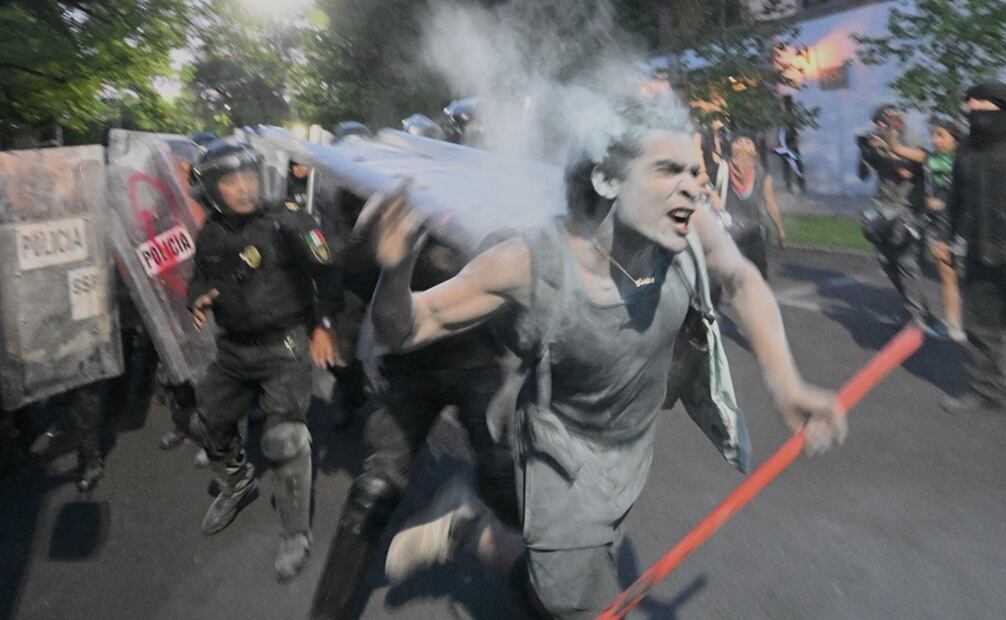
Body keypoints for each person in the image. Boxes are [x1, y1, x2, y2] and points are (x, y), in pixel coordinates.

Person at [360, 96, 847, 618]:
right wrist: (395, 269)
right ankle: (476, 534)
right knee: (572, 601)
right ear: (608, 180)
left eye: (694, 171)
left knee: (575, 579)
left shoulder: (689, 228)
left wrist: (786, 385)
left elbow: (741, 278)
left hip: (633, 445)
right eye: (668, 170)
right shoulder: (532, 262)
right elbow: (408, 327)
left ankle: (483, 533)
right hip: (561, 452)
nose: (693, 186)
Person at [176, 140, 343, 580]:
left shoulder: (288, 220)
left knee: (286, 439)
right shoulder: (210, 231)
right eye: (230, 181)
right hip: (234, 348)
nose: (244, 187)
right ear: (212, 189)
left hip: (285, 345)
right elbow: (199, 278)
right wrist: (199, 298)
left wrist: (324, 326)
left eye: (249, 176)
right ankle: (238, 482)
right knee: (204, 420)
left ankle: (295, 533)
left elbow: (327, 273)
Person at [942, 81, 1006, 413]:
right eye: (970, 109)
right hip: (982, 251)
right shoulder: (966, 149)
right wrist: (947, 237)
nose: (974, 114)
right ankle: (987, 390)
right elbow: (955, 200)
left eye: (982, 108)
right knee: (981, 325)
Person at [883, 116, 967, 341]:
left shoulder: (964, 159)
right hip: (938, 225)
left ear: (955, 139)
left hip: (962, 222)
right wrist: (891, 128)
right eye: (932, 135)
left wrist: (946, 200)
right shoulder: (928, 158)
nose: (935, 140)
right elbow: (897, 148)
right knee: (946, 273)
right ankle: (954, 323)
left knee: (976, 276)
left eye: (940, 135)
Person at [857, 104, 929, 325]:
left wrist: (889, 147)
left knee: (906, 260)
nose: (882, 125)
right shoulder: (875, 139)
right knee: (886, 259)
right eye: (880, 122)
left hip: (908, 205)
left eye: (886, 121)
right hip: (883, 206)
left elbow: (909, 170)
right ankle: (915, 305)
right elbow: (863, 174)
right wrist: (864, 152)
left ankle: (916, 314)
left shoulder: (911, 138)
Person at [718, 132, 786, 278]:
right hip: (729, 229)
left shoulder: (762, 175)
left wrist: (780, 230)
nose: (742, 142)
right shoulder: (722, 169)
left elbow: (770, 203)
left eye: (747, 141)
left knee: (757, 274)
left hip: (754, 230)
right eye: (738, 140)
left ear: (754, 151)